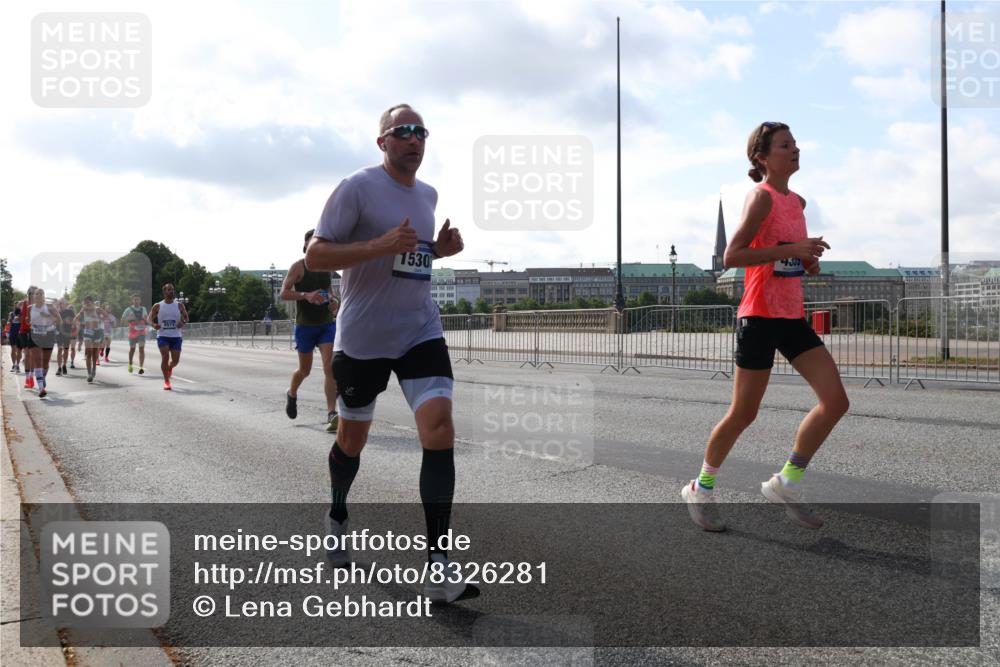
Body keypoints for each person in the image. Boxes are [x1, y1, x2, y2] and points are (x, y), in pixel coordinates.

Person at [305, 103, 475, 604]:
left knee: (440, 427)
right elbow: (317, 255)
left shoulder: (428, 195)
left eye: (421, 132)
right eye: (403, 131)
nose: (414, 139)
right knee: (352, 439)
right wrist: (380, 243)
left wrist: (438, 250)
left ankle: (438, 566)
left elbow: (412, 255)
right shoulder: (356, 187)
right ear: (383, 142)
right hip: (364, 338)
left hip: (419, 328)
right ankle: (337, 514)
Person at [681, 121, 848, 532]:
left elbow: (790, 261)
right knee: (744, 413)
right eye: (785, 145)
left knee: (836, 401)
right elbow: (732, 256)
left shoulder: (798, 203)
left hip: (792, 316)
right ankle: (700, 489)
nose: (795, 150)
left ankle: (786, 482)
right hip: (758, 316)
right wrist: (790, 249)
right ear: (762, 157)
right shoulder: (761, 198)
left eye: (796, 144)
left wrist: (808, 260)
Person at [282, 230, 341, 432]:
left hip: (326, 324)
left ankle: (332, 413)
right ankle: (292, 393)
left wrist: (334, 303)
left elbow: (331, 295)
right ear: (306, 245)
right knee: (304, 370)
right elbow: (283, 293)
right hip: (305, 326)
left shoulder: (326, 267)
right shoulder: (298, 267)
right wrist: (305, 295)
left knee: (329, 367)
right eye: (312, 242)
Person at [149, 283, 189, 391]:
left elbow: (186, 317)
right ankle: (166, 381)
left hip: (176, 336)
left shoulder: (179, 305)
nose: (171, 291)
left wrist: (183, 322)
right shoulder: (158, 305)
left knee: (175, 361)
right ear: (164, 292)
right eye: (169, 290)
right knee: (165, 357)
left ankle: (170, 368)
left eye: (172, 290)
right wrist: (154, 325)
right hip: (163, 336)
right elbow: (149, 318)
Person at [24, 289, 60, 398]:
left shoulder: (50, 307)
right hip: (35, 335)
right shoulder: (30, 308)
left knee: (45, 362)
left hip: (48, 334)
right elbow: (27, 320)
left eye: (41, 294)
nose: (38, 296)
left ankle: (42, 378)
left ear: (44, 296)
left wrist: (48, 316)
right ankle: (41, 388)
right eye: (36, 294)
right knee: (37, 360)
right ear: (34, 297)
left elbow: (59, 320)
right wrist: (28, 322)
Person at [74, 296, 105, 383]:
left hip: (97, 331)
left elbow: (106, 316)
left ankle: (94, 368)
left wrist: (101, 319)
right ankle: (89, 374)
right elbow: (76, 318)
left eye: (88, 302)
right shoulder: (84, 309)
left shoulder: (97, 309)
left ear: (92, 302)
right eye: (85, 303)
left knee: (95, 354)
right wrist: (78, 323)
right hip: (88, 331)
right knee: (89, 353)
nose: (86, 304)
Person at [122, 294, 149, 374]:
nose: (136, 301)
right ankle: (130, 363)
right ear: (132, 300)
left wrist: (145, 319)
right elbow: (122, 320)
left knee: (141, 349)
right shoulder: (128, 309)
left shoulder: (143, 308)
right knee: (132, 349)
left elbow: (146, 319)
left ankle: (141, 367)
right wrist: (129, 318)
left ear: (140, 301)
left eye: (138, 300)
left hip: (141, 331)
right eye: (135, 300)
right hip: (132, 331)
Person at [55, 298, 75, 376]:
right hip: (59, 332)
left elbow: (74, 321)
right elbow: (54, 321)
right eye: (60, 303)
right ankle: (59, 368)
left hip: (67, 333)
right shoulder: (57, 312)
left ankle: (64, 365)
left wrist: (69, 321)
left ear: (65, 304)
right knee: (60, 349)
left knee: (66, 350)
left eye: (62, 303)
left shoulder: (70, 312)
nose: (61, 305)